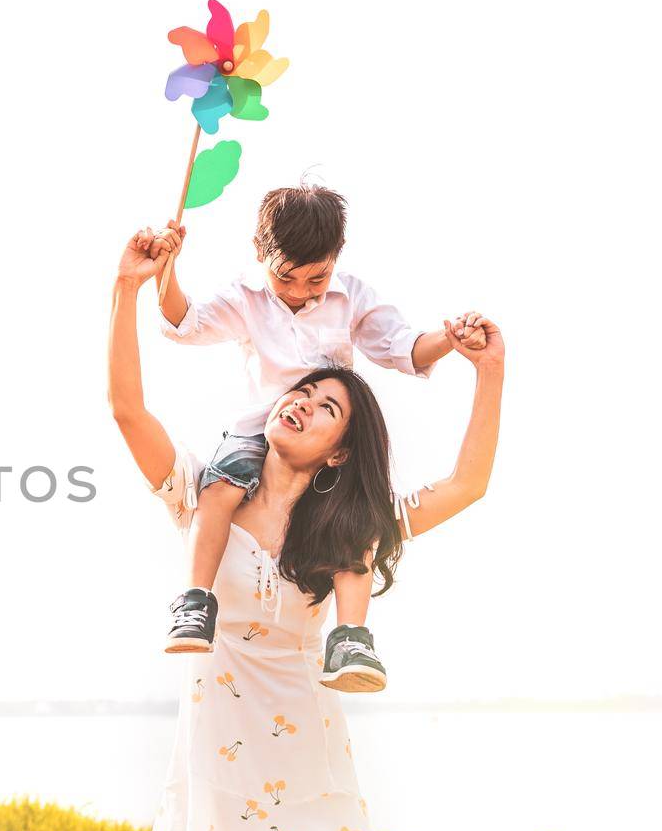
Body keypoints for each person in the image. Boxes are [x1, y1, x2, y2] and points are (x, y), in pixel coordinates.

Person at [108, 234, 505, 831]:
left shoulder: (350, 530)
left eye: (330, 408)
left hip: (309, 754)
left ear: (336, 454)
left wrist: (487, 370)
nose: (304, 402)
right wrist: (124, 293)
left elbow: (468, 483)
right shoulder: (202, 496)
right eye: (305, 394)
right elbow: (127, 409)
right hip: (216, 744)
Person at [143, 184, 486, 694]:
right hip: (261, 430)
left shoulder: (353, 297)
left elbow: (405, 349)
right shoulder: (246, 297)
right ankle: (196, 599)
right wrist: (164, 272)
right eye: (287, 278)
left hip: (329, 443)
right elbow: (184, 323)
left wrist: (452, 340)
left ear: (337, 258)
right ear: (260, 254)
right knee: (217, 492)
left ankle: (350, 636)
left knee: (358, 524)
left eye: (317, 277)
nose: (302, 291)